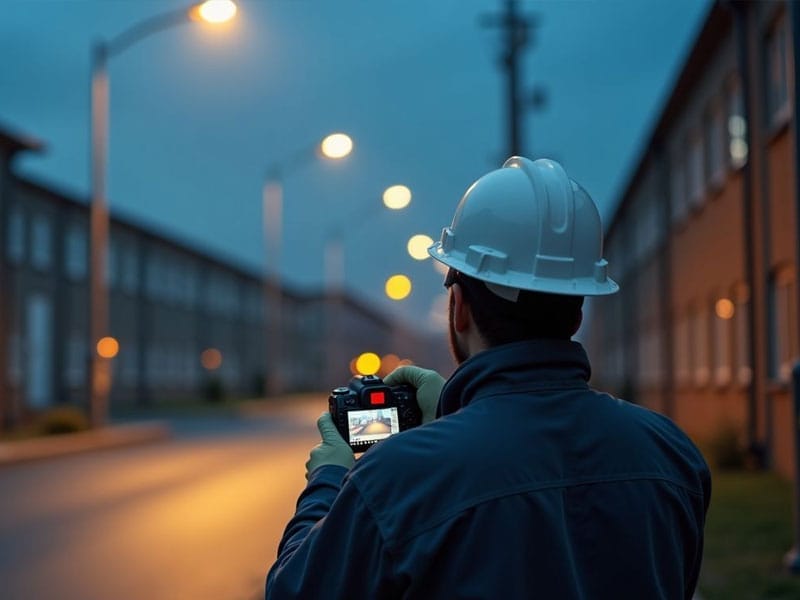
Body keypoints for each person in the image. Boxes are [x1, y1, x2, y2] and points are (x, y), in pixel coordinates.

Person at [265, 157, 711, 599]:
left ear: (458, 307)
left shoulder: (396, 480)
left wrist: (328, 478)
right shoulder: (671, 454)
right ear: (577, 311)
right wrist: (454, 414)